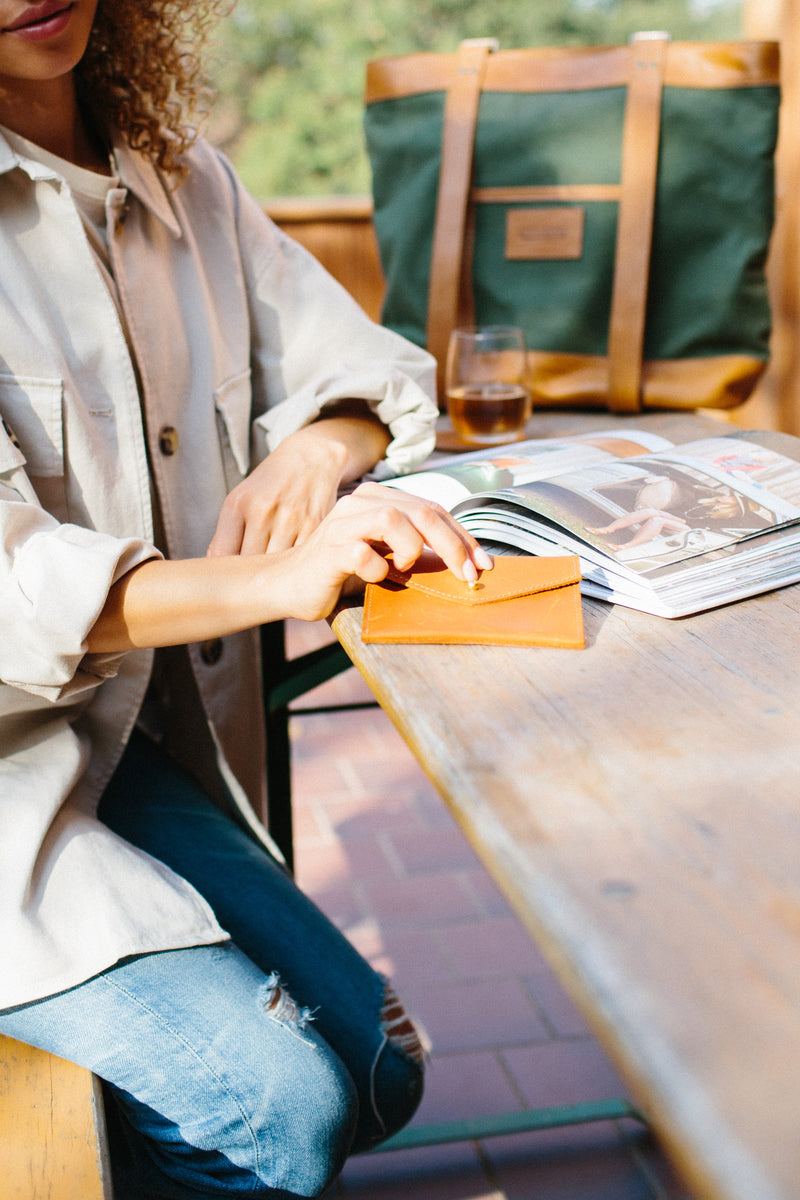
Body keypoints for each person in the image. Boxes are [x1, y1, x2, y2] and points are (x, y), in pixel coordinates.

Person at [0, 1, 493, 1197]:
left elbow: (361, 365)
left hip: (128, 753)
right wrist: (278, 575)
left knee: (380, 1072)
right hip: (10, 780)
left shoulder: (182, 176)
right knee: (276, 1108)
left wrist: (319, 449)